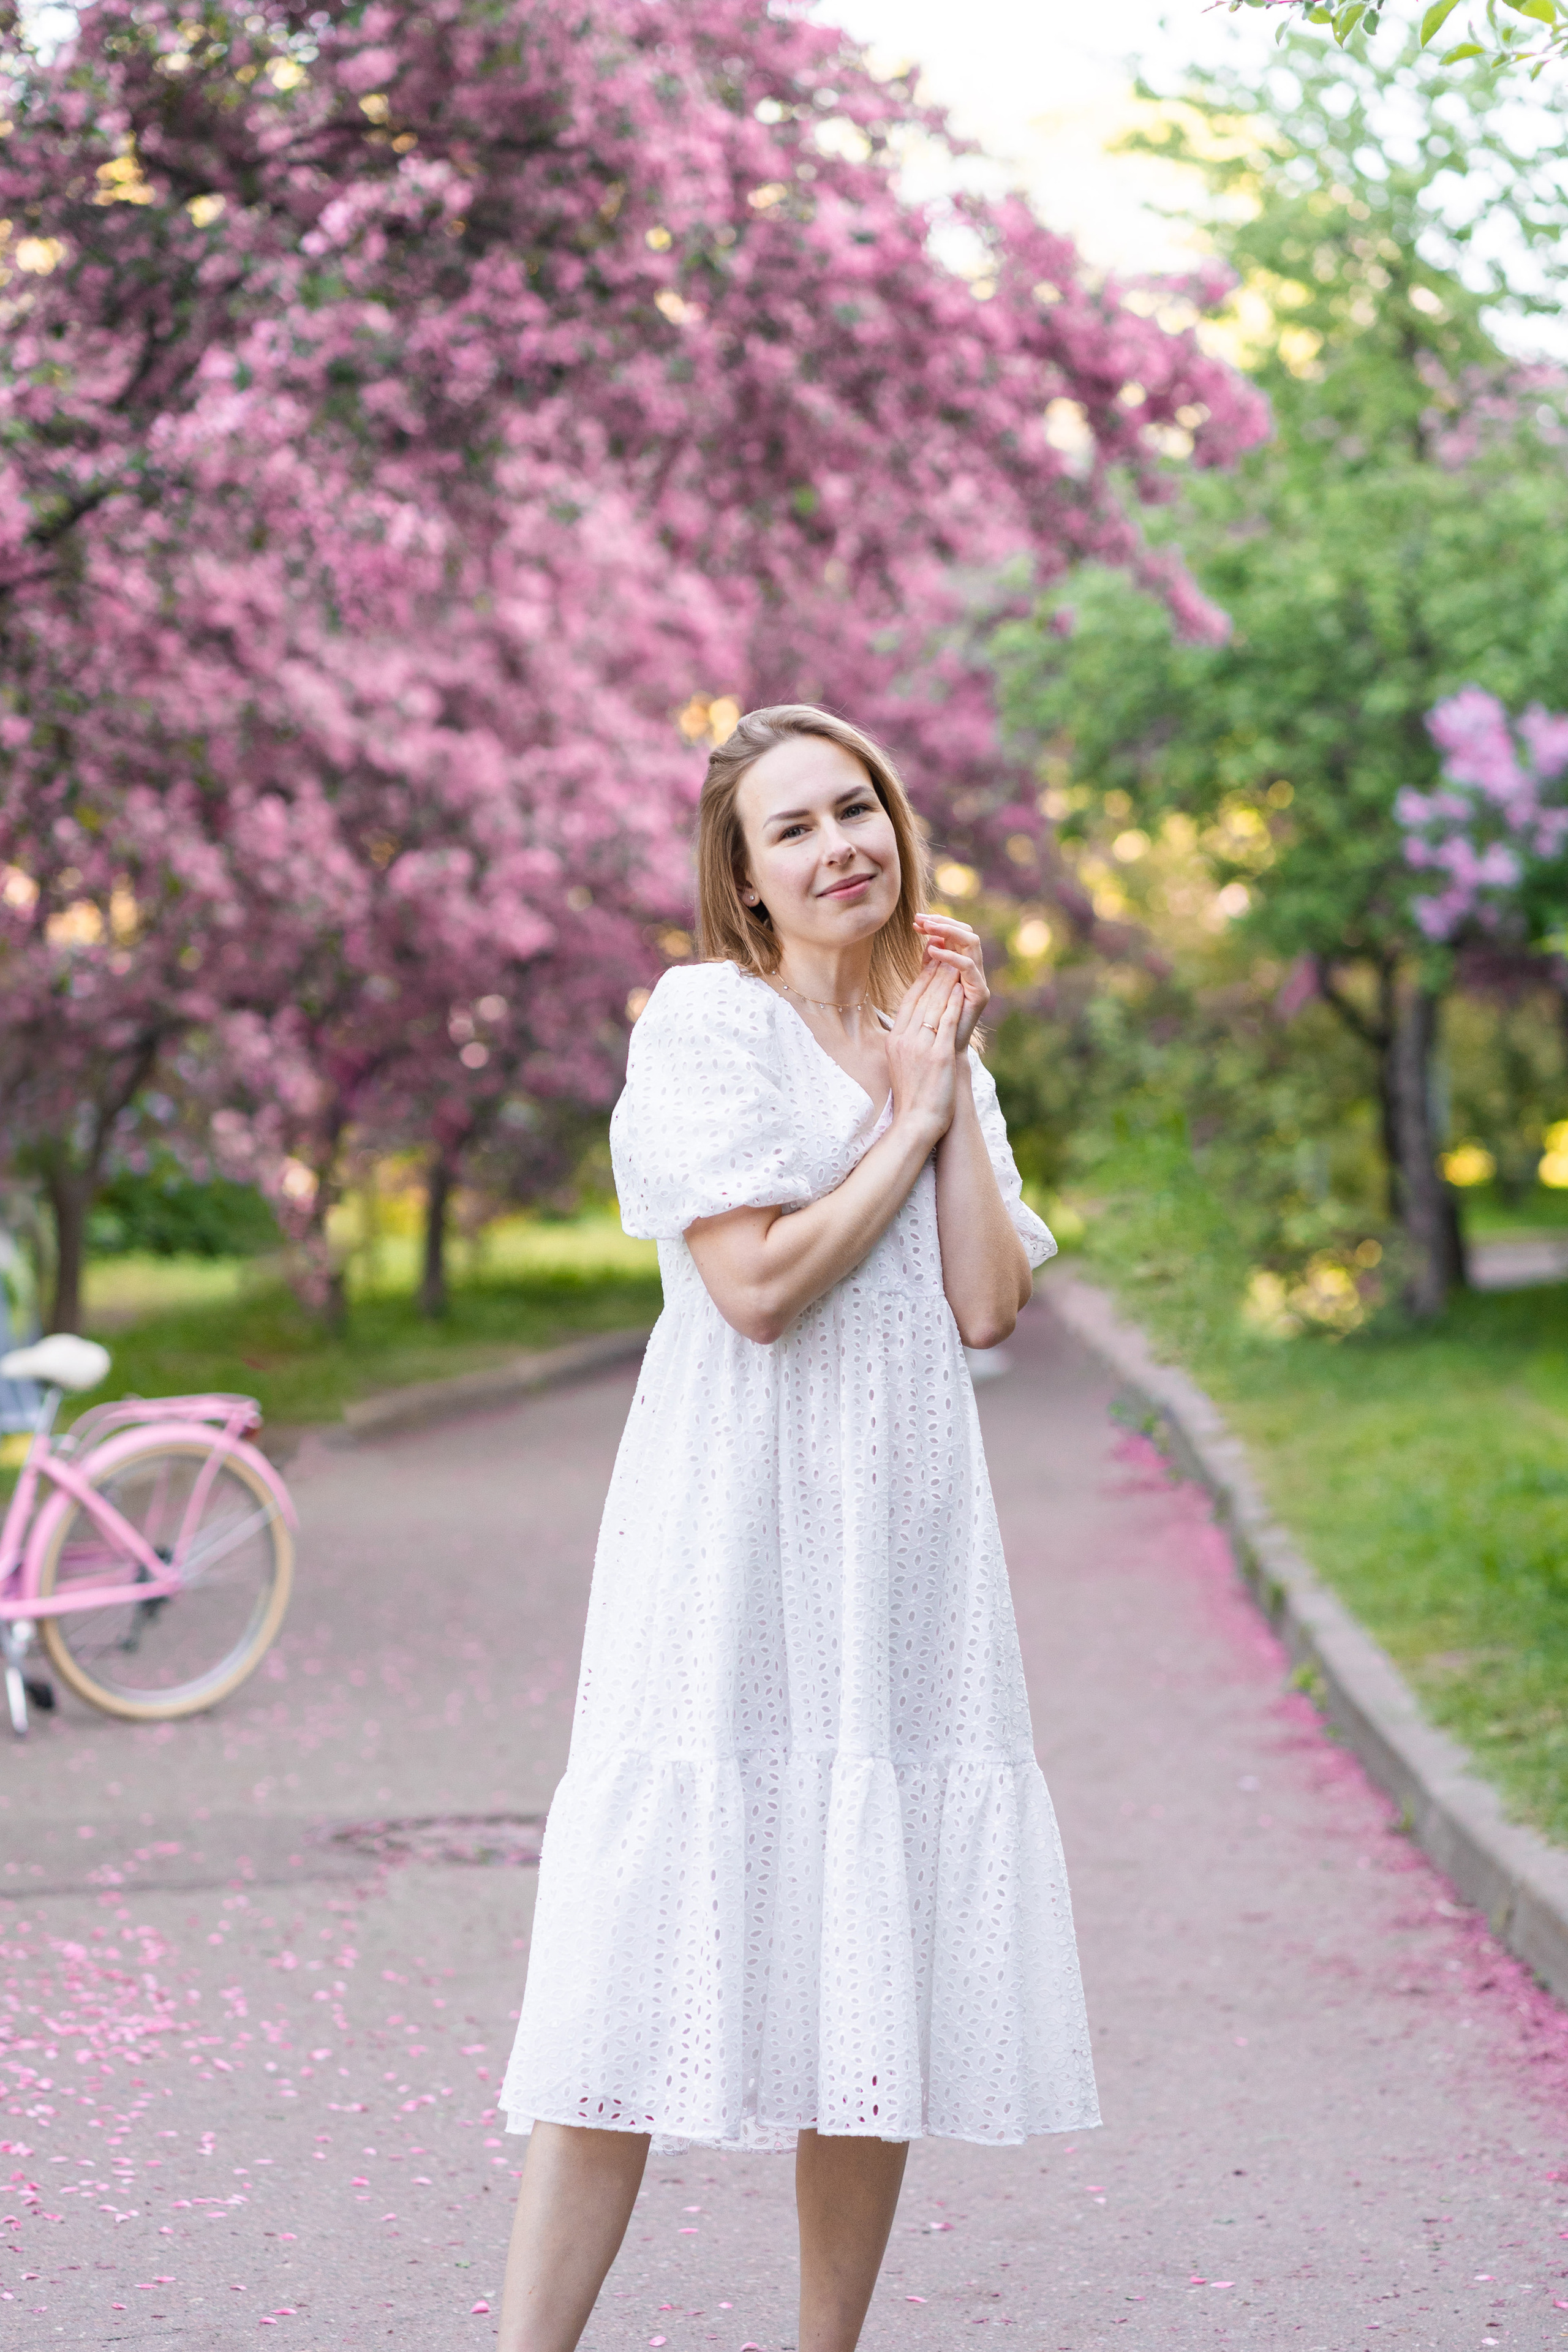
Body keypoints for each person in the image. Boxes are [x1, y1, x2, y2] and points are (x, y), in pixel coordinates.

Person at [496, 706, 1098, 2352]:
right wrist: (897, 1124)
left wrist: (948, 1083)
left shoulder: (932, 1029)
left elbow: (985, 1300)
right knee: (634, 1962)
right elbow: (752, 1291)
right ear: (746, 879)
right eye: (796, 828)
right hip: (735, 1533)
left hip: (902, 1546)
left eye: (861, 810)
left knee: (871, 1960)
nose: (842, 845)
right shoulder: (708, 1022)